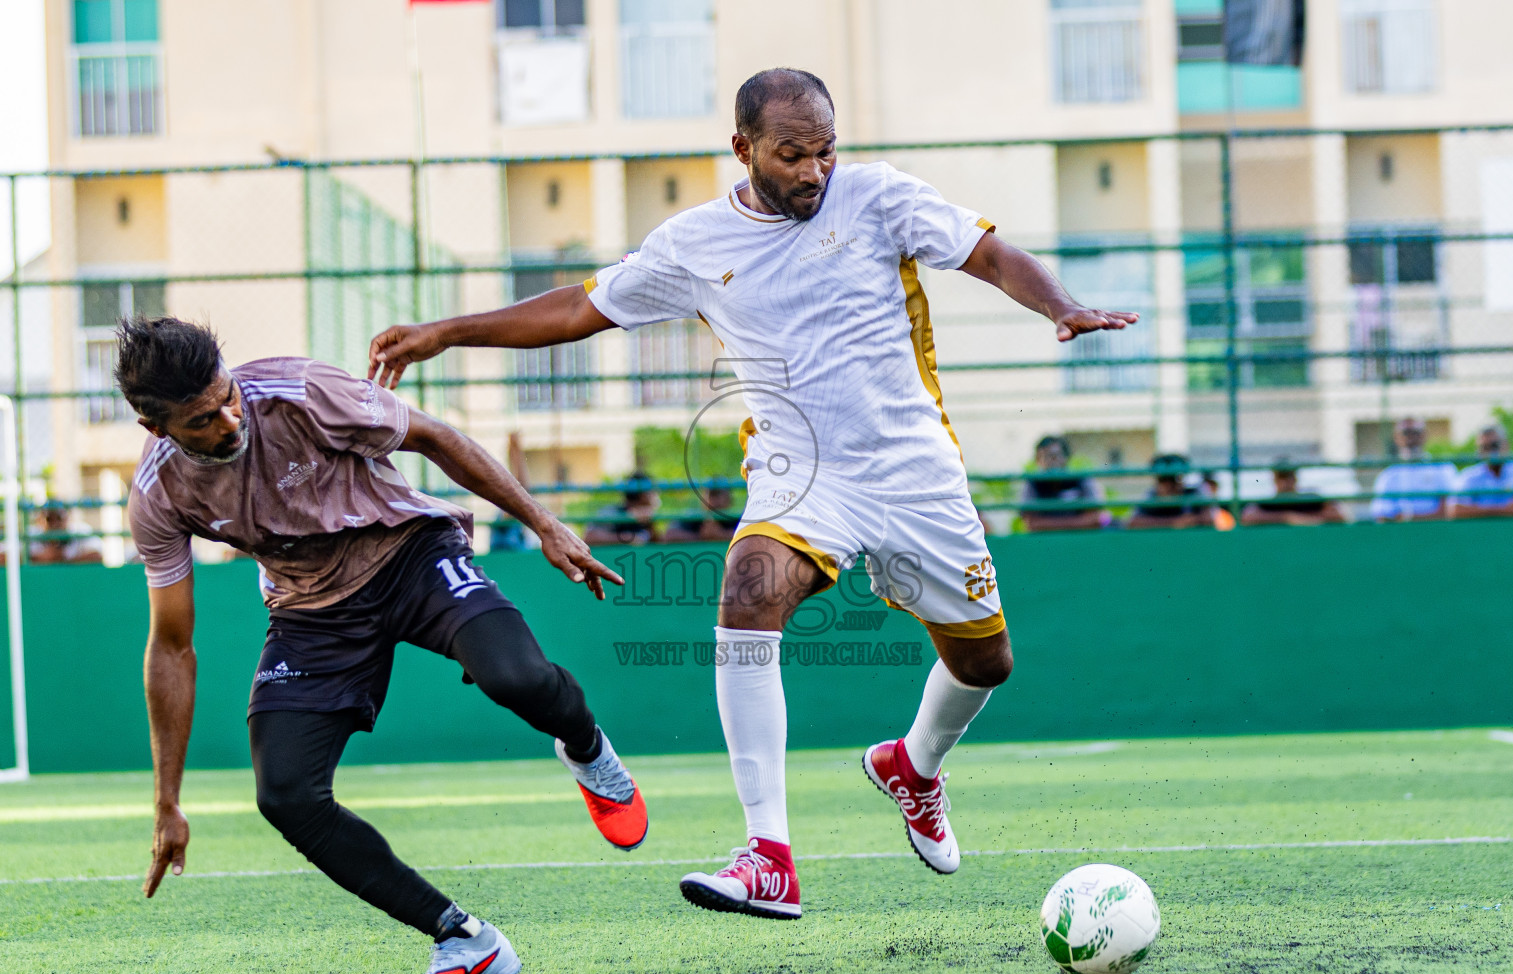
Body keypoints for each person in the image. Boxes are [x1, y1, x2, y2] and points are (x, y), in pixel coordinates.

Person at [367, 67, 1138, 920]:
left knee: (985, 662)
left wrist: (1059, 306)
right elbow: (580, 310)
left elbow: (990, 254)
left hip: (914, 471)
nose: (815, 170)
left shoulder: (878, 197)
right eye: (793, 153)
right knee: (747, 591)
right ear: (743, 150)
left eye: (827, 150)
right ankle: (768, 853)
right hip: (800, 473)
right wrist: (446, 332)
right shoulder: (695, 244)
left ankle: (912, 768)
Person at [118, 316, 644, 974]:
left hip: (411, 556)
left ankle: (585, 747)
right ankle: (466, 941)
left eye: (226, 397)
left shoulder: (302, 391)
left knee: (514, 677)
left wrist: (545, 525)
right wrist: (167, 802)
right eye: (201, 420)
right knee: (285, 797)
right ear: (156, 429)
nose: (228, 419)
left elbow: (435, 436)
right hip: (312, 612)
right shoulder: (158, 496)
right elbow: (172, 644)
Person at [1371, 417, 1457, 522]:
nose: (1411, 437)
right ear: (1396, 437)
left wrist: (1409, 518)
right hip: (1401, 535)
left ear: (1425, 435)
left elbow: (1449, 511)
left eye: (1416, 433)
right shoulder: (1388, 475)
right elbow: (1382, 515)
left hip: (1438, 533)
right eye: (1406, 433)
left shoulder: (1442, 468)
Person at [1021, 436, 1104, 532]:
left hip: (1079, 539)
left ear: (1066, 458)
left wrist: (1048, 524)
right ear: (1038, 460)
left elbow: (1094, 519)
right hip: (1046, 542)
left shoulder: (1081, 479)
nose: (1052, 461)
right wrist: (1077, 522)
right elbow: (1031, 523)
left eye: (1056, 456)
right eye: (1045, 456)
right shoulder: (1033, 483)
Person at [1451, 425, 1513, 519]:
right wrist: (1505, 510)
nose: (1490, 452)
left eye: (1494, 445)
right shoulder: (1469, 475)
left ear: (1507, 444)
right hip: (1482, 531)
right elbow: (1456, 510)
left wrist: (1478, 510)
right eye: (1484, 447)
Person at [1241, 458, 1346, 526]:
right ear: (1275, 480)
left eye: (1289, 477)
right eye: (1281, 478)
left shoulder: (1310, 499)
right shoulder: (1269, 503)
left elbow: (1338, 515)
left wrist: (1306, 519)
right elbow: (1247, 517)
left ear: (1295, 479)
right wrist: (1286, 517)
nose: (1285, 482)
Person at [1127, 454, 1216, 530]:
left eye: (1174, 479)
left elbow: (1209, 519)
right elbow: (1133, 522)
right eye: (1163, 479)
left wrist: (1193, 520)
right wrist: (1173, 522)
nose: (1169, 485)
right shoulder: (1151, 496)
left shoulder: (1193, 494)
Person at [583, 472, 661, 545]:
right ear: (643, 495)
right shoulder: (612, 512)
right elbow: (589, 537)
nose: (657, 495)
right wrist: (626, 538)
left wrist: (650, 525)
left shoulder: (648, 518)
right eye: (653, 491)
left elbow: (660, 546)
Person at [665, 485, 741, 542]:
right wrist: (700, 536)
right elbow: (669, 535)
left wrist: (721, 534)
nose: (714, 501)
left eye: (718, 495)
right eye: (711, 495)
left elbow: (749, 535)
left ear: (729, 500)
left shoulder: (735, 518)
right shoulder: (695, 517)